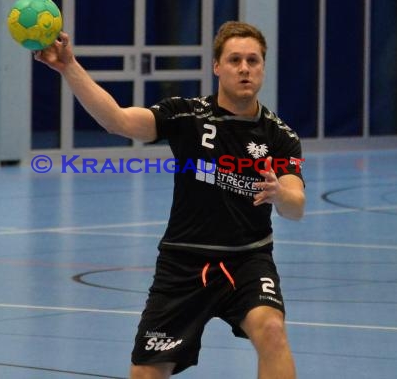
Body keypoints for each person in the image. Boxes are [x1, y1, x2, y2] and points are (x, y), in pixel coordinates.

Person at [34, 21, 305, 379]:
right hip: (184, 261)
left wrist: (280, 193)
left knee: (271, 330)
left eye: (253, 61)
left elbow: (296, 206)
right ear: (217, 67)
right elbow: (118, 121)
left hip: (248, 260)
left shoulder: (280, 135)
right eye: (235, 59)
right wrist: (69, 66)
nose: (244, 69)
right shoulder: (187, 115)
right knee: (145, 372)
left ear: (263, 67)